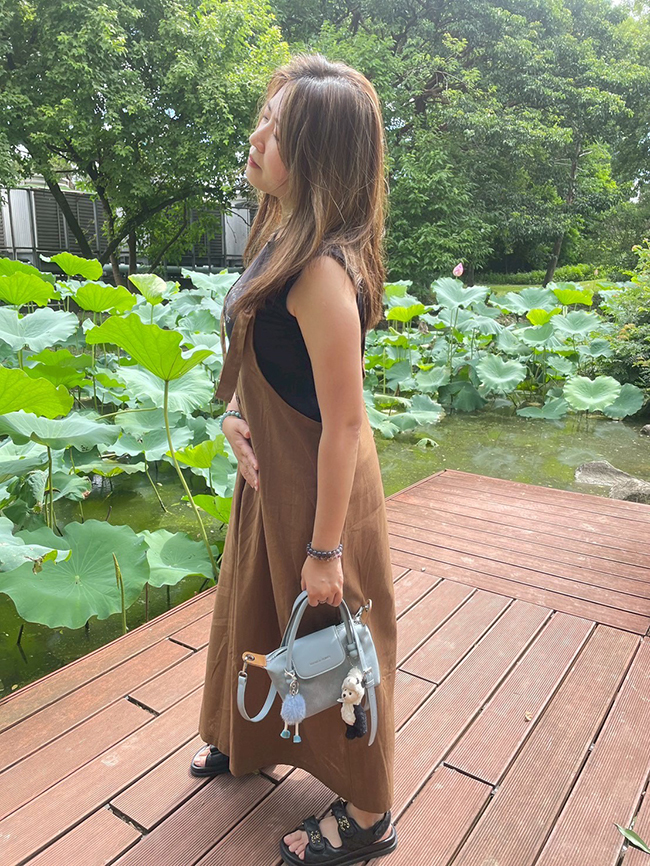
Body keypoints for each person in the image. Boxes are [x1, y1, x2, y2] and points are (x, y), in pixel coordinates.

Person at [190, 52, 398, 866]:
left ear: (314, 157)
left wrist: (326, 549)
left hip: (321, 494)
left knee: (340, 647)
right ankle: (247, 737)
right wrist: (237, 415)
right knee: (254, 606)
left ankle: (368, 814)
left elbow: (344, 423)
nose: (255, 137)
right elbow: (272, 361)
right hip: (271, 474)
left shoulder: (320, 272)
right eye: (263, 119)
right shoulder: (279, 233)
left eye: (273, 130)